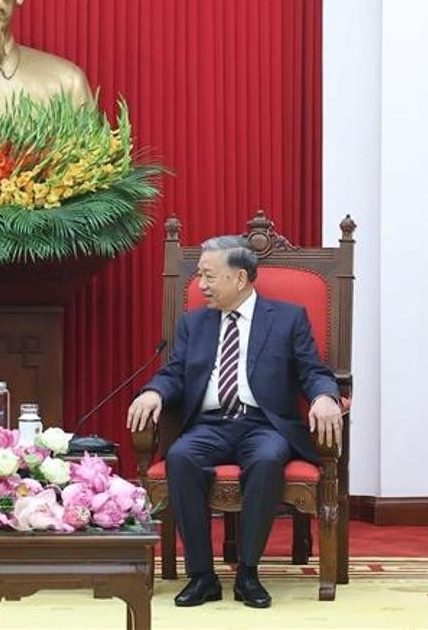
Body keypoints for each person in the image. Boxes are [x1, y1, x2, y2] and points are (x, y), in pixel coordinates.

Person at [126, 235, 342, 609]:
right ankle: (202, 576)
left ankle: (248, 573)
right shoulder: (194, 323)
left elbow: (313, 371)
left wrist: (325, 397)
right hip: (209, 425)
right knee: (181, 457)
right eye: (199, 275)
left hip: (263, 425)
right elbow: (174, 373)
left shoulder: (287, 319)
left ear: (239, 278)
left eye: (209, 276)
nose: (201, 285)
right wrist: (153, 392)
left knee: (267, 459)